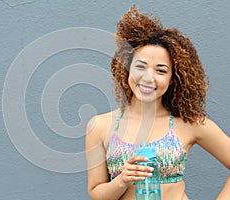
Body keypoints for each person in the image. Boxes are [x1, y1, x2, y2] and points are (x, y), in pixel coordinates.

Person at [85, 6, 230, 200]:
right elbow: (96, 193)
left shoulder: (189, 124)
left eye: (160, 71)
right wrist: (122, 181)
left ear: (173, 78)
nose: (148, 78)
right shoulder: (99, 126)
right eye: (140, 67)